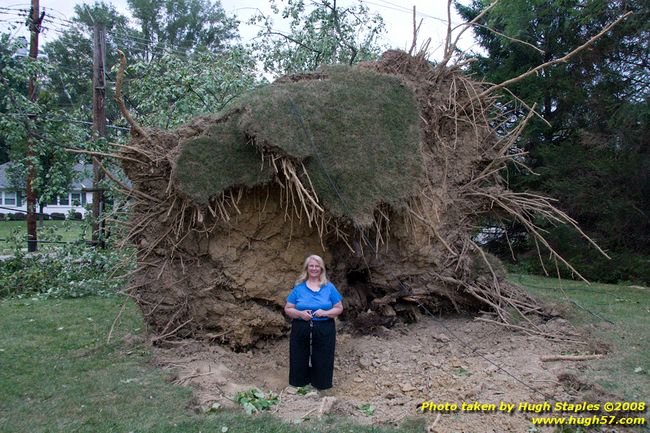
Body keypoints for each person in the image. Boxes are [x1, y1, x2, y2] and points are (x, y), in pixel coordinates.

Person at [284, 254, 343, 391]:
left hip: (324, 326)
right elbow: (288, 308)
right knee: (298, 354)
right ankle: (299, 384)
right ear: (307, 268)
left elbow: (339, 308)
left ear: (321, 269)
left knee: (323, 356)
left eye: (317, 266)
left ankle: (321, 386)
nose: (314, 268)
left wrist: (326, 313)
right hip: (301, 325)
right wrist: (299, 314)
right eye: (311, 266)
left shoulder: (329, 287)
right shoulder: (299, 288)